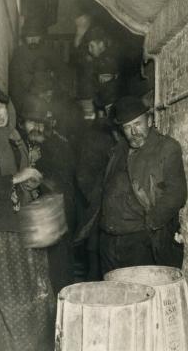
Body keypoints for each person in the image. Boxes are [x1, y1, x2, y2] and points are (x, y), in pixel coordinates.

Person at [0, 86, 55, 351]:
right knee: (12, 290)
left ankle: (13, 344)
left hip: (17, 219)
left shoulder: (15, 137)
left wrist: (31, 181)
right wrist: (20, 177)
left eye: (0, 108)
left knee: (19, 286)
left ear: (9, 107)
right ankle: (22, 345)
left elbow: (18, 177)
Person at [99, 96, 187, 276]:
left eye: (137, 124)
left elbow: (176, 194)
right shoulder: (118, 150)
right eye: (127, 127)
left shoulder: (167, 148)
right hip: (109, 241)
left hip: (139, 241)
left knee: (139, 295)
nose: (133, 131)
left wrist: (150, 225)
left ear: (149, 120)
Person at [17, 94, 75, 295]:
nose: (37, 128)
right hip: (27, 224)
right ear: (21, 123)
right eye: (31, 122)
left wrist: (42, 181)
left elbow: (65, 182)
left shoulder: (58, 145)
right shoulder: (16, 144)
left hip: (53, 222)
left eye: (41, 123)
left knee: (58, 275)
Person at [75, 86, 118, 279]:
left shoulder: (122, 133)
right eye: (107, 108)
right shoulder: (95, 136)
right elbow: (83, 173)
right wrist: (98, 196)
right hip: (100, 206)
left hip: (121, 215)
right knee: (96, 258)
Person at [9, 16, 64, 113]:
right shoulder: (19, 54)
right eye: (29, 36)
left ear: (41, 36)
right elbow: (16, 85)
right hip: (28, 100)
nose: (33, 40)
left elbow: (62, 74)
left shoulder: (50, 52)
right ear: (25, 37)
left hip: (51, 97)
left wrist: (53, 91)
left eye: (36, 36)